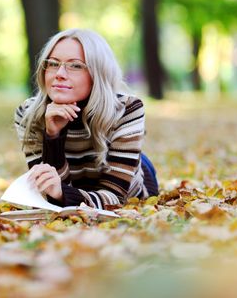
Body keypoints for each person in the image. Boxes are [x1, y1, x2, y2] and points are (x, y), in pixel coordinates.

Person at [14, 28, 158, 210]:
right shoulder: (27, 114)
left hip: (130, 178)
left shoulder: (127, 109)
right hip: (80, 183)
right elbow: (50, 195)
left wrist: (61, 194)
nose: (59, 73)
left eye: (75, 65)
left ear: (97, 73)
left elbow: (115, 197)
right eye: (52, 63)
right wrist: (53, 136)